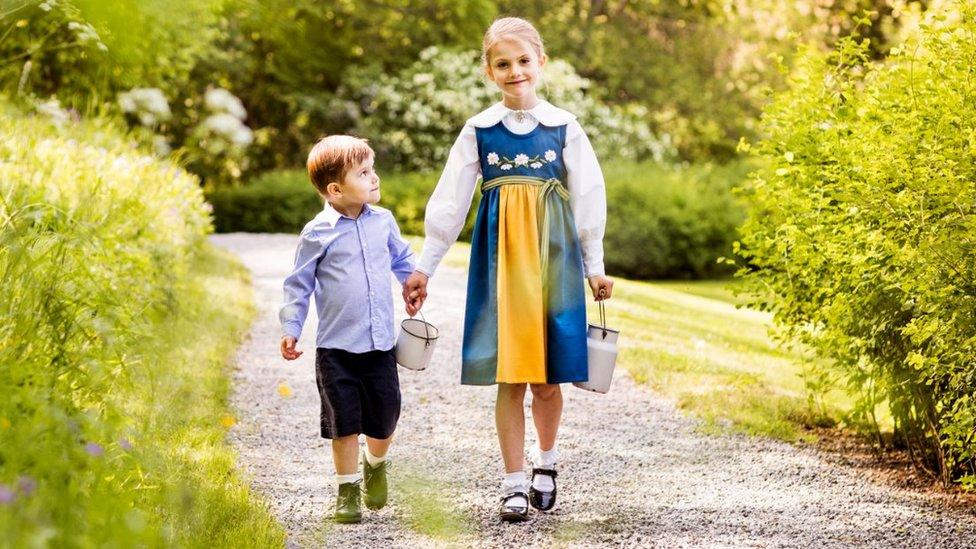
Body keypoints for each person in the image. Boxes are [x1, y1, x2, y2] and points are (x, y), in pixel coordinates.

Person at [402, 17, 613, 522]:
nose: (514, 71)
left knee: (548, 376)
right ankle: (513, 481)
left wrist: (595, 266)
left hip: (553, 260)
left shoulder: (564, 126)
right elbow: (449, 204)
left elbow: (588, 197)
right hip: (500, 264)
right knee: (509, 376)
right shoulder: (478, 130)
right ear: (489, 72)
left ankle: (547, 463)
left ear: (540, 63)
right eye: (503, 63)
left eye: (523, 61)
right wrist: (425, 268)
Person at [280, 135, 417, 524]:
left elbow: (402, 258)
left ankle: (375, 462)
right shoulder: (317, 232)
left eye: (373, 170)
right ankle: (346, 491)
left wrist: (411, 284)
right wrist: (291, 326)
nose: (374, 178)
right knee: (343, 424)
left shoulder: (383, 221)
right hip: (336, 349)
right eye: (363, 173)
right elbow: (298, 285)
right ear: (335, 189)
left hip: (379, 345)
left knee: (386, 416)